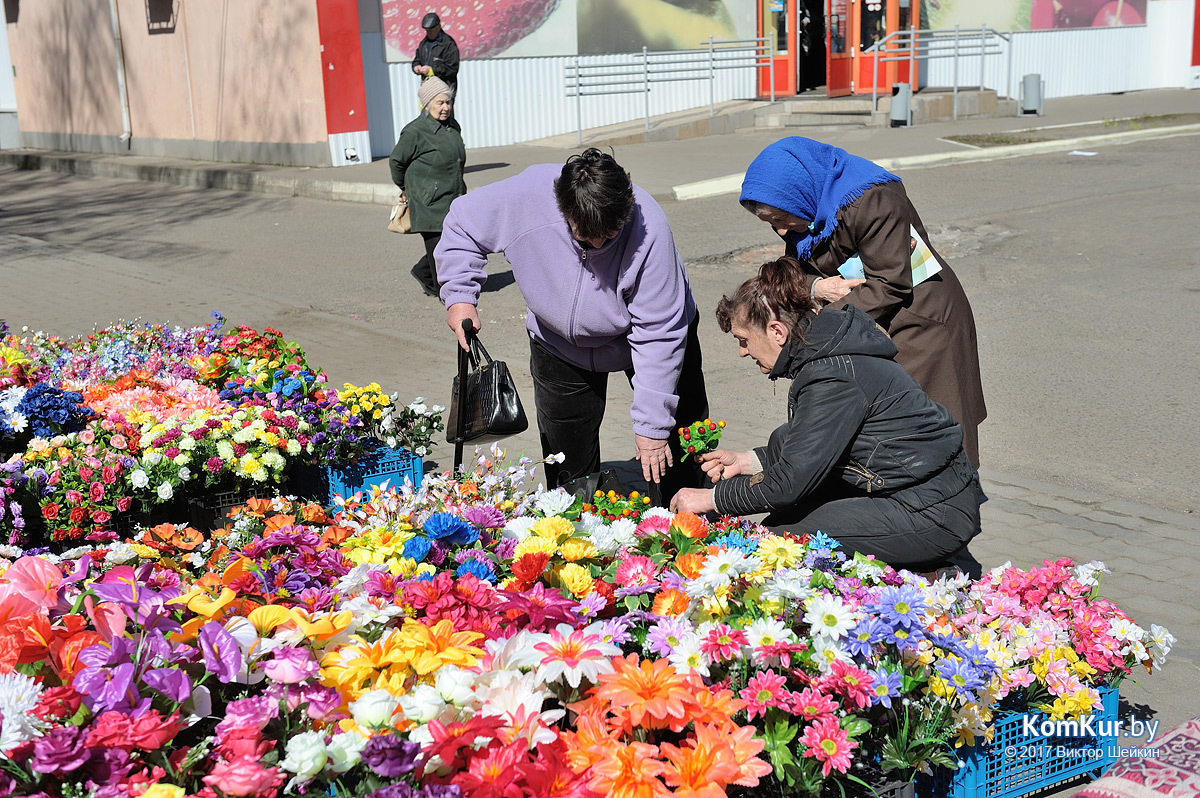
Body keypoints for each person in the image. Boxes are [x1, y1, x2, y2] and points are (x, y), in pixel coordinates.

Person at [670, 258, 982, 578]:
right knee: (789, 498)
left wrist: (711, 498)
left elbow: (789, 483)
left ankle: (932, 582)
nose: (742, 351)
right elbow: (817, 445)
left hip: (932, 512)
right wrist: (748, 461)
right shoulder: (827, 351)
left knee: (784, 537)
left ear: (777, 331)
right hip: (920, 493)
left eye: (743, 339)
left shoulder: (832, 376)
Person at [436, 148, 708, 504]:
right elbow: (463, 225)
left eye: (608, 237)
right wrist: (460, 296)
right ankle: (579, 537)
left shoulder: (649, 227)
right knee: (568, 469)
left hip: (648, 337)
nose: (596, 244)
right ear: (563, 211)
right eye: (585, 237)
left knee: (675, 444)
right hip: (558, 344)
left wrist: (652, 430)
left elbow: (659, 334)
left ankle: (689, 521)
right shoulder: (528, 195)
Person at [739, 137, 986, 469]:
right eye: (772, 224)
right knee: (886, 442)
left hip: (921, 324)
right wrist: (816, 288)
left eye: (782, 219)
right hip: (866, 324)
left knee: (935, 437)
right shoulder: (805, 206)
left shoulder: (873, 199)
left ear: (797, 196)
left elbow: (890, 282)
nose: (782, 232)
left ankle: (950, 513)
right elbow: (797, 272)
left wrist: (816, 327)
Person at [388, 77, 466, 298]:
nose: (445, 107)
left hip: (452, 195)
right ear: (427, 103)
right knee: (438, 248)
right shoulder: (415, 131)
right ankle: (445, 292)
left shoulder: (451, 126)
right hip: (428, 199)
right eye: (440, 102)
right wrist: (407, 187)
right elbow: (396, 161)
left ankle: (423, 272)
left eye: (448, 102)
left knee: (452, 241)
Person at [412, 12, 459, 99]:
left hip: (444, 90)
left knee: (443, 112)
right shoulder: (424, 43)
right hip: (428, 89)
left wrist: (432, 70)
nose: (429, 32)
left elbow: (452, 68)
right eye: (427, 30)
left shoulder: (448, 43)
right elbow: (417, 59)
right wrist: (416, 66)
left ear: (439, 26)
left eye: (431, 30)